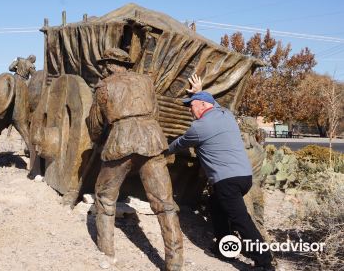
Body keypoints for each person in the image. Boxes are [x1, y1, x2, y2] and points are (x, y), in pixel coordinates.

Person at [87, 48, 183, 271]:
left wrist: (99, 139)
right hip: (152, 140)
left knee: (104, 196)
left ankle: (107, 251)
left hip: (120, 141)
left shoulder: (104, 86)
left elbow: (95, 123)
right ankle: (175, 263)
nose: (103, 69)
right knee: (165, 204)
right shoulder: (147, 82)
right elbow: (155, 113)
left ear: (110, 65)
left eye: (105, 64)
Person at [167, 74, 274, 270]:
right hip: (244, 177)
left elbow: (179, 144)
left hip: (227, 181)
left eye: (191, 105)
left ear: (202, 106)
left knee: (240, 219)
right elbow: (213, 103)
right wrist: (199, 92)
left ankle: (264, 262)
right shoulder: (226, 115)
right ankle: (225, 248)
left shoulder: (199, 127)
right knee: (216, 207)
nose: (190, 109)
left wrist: (163, 149)